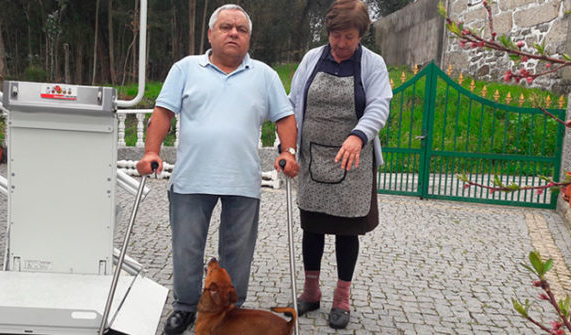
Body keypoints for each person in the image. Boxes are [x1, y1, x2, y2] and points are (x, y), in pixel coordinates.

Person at [136, 4, 298, 334]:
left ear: (249, 38)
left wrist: (289, 152)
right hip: (192, 177)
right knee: (187, 248)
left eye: (241, 29)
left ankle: (230, 311)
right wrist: (151, 151)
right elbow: (163, 112)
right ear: (211, 34)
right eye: (226, 27)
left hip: (242, 180)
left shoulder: (264, 75)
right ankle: (184, 307)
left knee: (237, 251)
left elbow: (285, 117)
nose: (233, 33)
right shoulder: (185, 69)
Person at [287, 0, 392, 329]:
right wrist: (288, 146)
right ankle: (310, 291)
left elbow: (379, 104)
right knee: (312, 226)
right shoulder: (311, 59)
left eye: (348, 36)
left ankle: (342, 298)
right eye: (336, 35)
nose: (341, 43)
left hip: (353, 160)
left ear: (361, 34)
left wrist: (358, 136)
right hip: (313, 157)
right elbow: (292, 103)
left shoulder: (372, 64)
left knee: (348, 231)